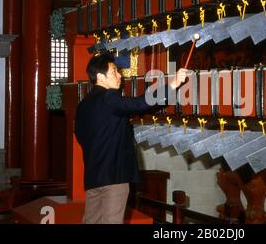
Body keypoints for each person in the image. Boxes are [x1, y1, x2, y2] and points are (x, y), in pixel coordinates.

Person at [75, 54, 187, 224]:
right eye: (114, 71)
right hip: (114, 177)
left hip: (94, 176)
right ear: (100, 76)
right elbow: (140, 103)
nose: (120, 75)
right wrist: (173, 84)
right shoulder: (109, 97)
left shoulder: (83, 104)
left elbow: (80, 136)